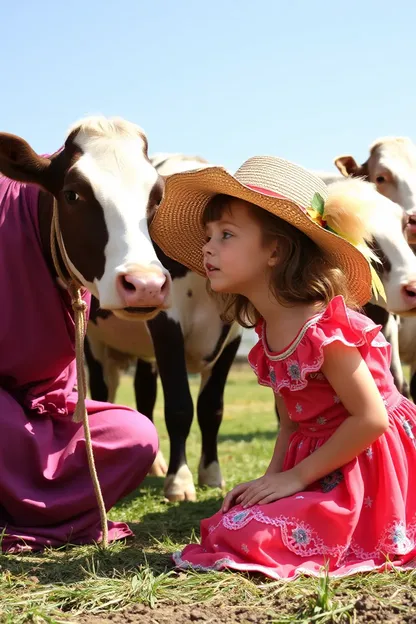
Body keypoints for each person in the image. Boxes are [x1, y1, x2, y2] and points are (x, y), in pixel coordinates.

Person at [149, 155, 416, 580]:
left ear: (275, 249)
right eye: (208, 236)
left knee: (252, 537)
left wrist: (295, 479)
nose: (207, 248)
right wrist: (268, 484)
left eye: (226, 235)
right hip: (319, 459)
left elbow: (371, 419)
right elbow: (292, 424)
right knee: (234, 521)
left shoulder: (323, 329)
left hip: (367, 460)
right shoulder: (269, 330)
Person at [0, 169, 158, 553]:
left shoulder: (69, 265)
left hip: (46, 414)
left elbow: (63, 387)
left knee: (137, 435)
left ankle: (41, 515)